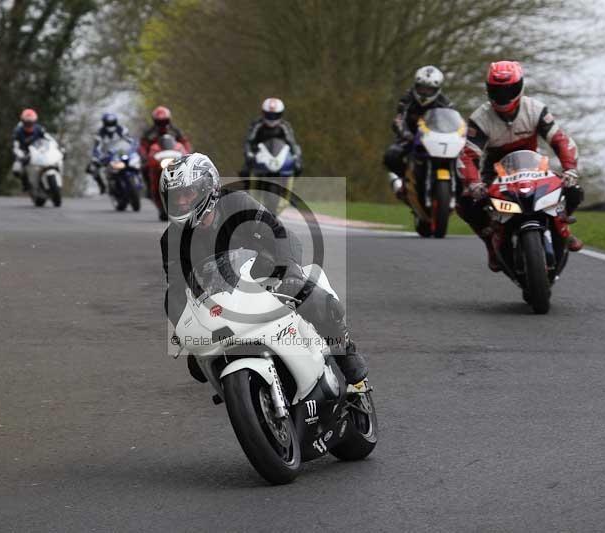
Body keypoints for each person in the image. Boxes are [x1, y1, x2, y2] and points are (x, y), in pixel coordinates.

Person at [159, 153, 367, 385]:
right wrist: (186, 331)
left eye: (187, 193)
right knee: (197, 366)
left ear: (208, 187)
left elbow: (278, 233)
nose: (181, 202)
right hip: (223, 300)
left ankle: (345, 351)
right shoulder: (170, 239)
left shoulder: (236, 203)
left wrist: (289, 271)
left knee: (309, 294)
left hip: (266, 273)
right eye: (175, 196)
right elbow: (177, 288)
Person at [457, 60, 583, 271]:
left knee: (574, 190)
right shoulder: (480, 118)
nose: (503, 96)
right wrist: (474, 183)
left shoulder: (536, 109)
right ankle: (491, 244)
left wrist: (570, 168)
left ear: (520, 87)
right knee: (465, 202)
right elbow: (468, 156)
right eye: (497, 90)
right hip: (495, 171)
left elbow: (560, 140)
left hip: (534, 166)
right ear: (488, 90)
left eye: (509, 90)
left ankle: (563, 229)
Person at [383, 66, 452, 200]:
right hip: (410, 137)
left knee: (459, 160)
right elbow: (399, 119)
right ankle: (403, 182)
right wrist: (406, 134)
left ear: (437, 89)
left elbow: (453, 122)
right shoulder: (407, 99)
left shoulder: (445, 103)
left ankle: (458, 191)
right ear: (416, 86)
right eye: (422, 88)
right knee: (391, 156)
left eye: (429, 89)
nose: (425, 92)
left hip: (435, 140)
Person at [239, 98, 303, 178]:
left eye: (275, 115)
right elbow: (249, 141)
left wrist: (296, 157)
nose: (272, 118)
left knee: (298, 167)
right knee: (245, 172)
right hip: (260, 156)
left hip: (280, 158)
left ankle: (289, 184)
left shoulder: (285, 126)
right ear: (264, 113)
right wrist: (249, 154)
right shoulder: (257, 124)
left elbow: (292, 142)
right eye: (269, 115)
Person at [139, 106, 192, 196]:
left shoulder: (175, 130)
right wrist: (144, 156)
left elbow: (184, 142)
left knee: (189, 167)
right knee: (145, 168)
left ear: (168, 120)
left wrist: (188, 153)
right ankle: (150, 189)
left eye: (164, 121)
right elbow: (143, 145)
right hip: (157, 158)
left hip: (174, 156)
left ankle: (190, 185)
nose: (162, 124)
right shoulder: (149, 133)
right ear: (155, 121)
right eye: (159, 122)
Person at [85, 112, 134, 195]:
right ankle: (102, 186)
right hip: (107, 156)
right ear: (104, 123)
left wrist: (134, 148)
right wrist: (96, 157)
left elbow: (131, 141)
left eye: (112, 123)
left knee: (137, 162)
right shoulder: (100, 133)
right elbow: (97, 147)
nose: (110, 125)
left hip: (121, 153)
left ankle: (138, 181)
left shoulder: (122, 129)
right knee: (92, 168)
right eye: (108, 123)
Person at [12, 108, 47, 192]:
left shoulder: (39, 129)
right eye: (27, 123)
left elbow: (48, 139)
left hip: (39, 151)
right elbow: (15, 145)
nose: (29, 125)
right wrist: (19, 154)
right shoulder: (18, 131)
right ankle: (25, 183)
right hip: (24, 152)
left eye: (31, 123)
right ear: (23, 122)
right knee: (16, 169)